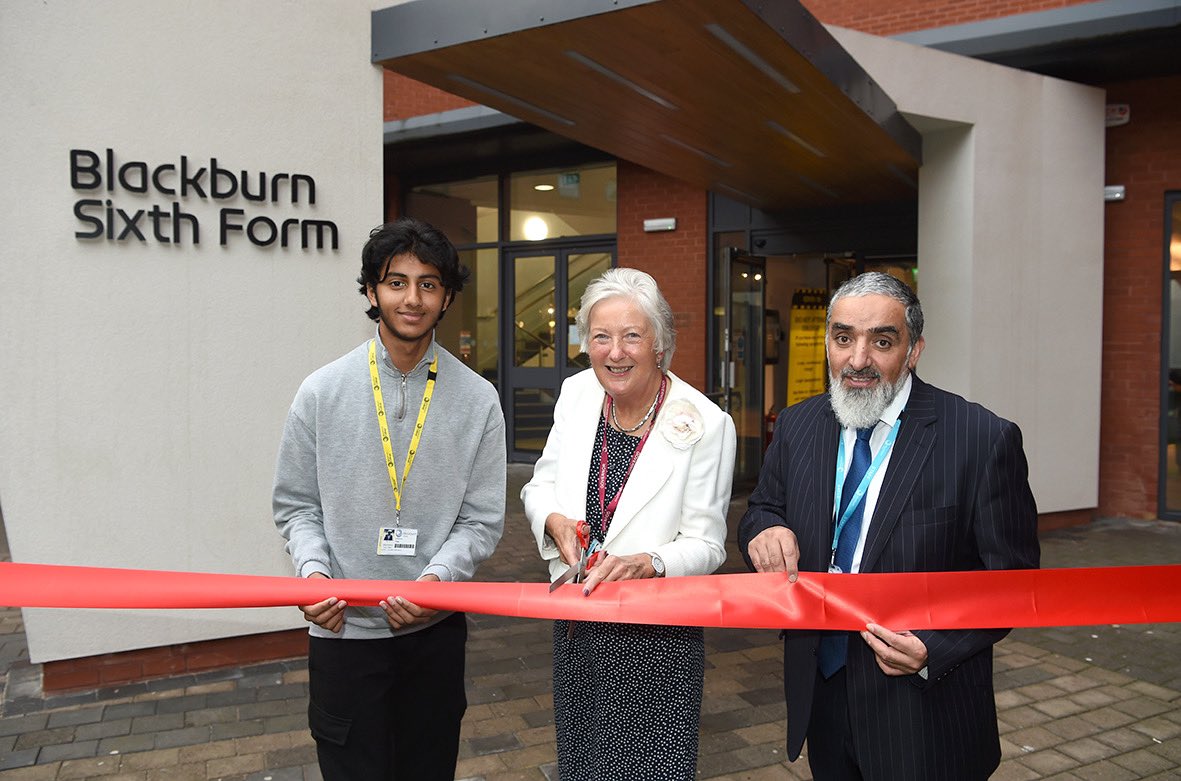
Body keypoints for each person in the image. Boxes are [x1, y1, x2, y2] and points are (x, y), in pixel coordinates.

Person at [738, 272, 1039, 781]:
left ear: (914, 350)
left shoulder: (982, 439)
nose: (858, 360)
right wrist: (763, 531)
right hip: (822, 690)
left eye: (882, 341)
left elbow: (1013, 582)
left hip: (924, 709)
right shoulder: (797, 425)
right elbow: (761, 508)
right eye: (843, 338)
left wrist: (934, 646)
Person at [273, 217, 506, 781]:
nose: (412, 298)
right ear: (372, 291)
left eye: (428, 284)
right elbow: (297, 506)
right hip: (343, 633)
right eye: (396, 281)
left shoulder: (479, 401)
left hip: (434, 634)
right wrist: (312, 574)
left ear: (447, 296)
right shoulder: (321, 391)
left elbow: (480, 521)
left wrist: (438, 580)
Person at [521, 267, 736, 780]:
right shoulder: (576, 394)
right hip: (578, 619)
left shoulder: (706, 425)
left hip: (655, 639)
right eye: (601, 337)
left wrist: (649, 562)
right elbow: (539, 485)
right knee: (581, 758)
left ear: (659, 344)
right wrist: (552, 522)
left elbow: (707, 545)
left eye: (632, 336)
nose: (615, 352)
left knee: (646, 768)